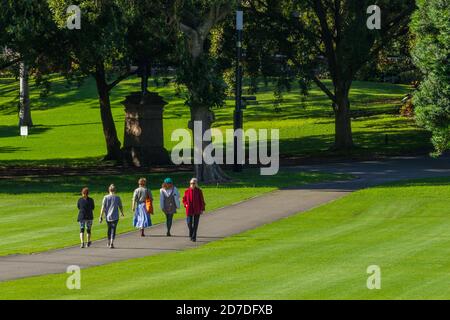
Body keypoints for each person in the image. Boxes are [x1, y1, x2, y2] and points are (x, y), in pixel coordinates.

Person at [99, 184, 124, 249]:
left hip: (108, 217)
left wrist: (100, 216)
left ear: (109, 190)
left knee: (109, 229)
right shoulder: (117, 197)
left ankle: (109, 241)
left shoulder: (106, 197)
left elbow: (103, 207)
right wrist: (122, 213)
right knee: (113, 229)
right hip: (115, 216)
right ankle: (112, 242)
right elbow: (120, 206)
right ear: (115, 190)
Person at [182, 178, 205, 242]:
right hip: (189, 209)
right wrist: (185, 204)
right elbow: (184, 200)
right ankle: (191, 233)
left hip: (197, 209)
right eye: (191, 183)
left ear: (196, 184)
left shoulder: (199, 191)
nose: (192, 184)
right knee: (189, 223)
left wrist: (202, 208)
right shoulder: (187, 191)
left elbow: (202, 200)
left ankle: (194, 237)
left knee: (196, 223)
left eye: (193, 183)